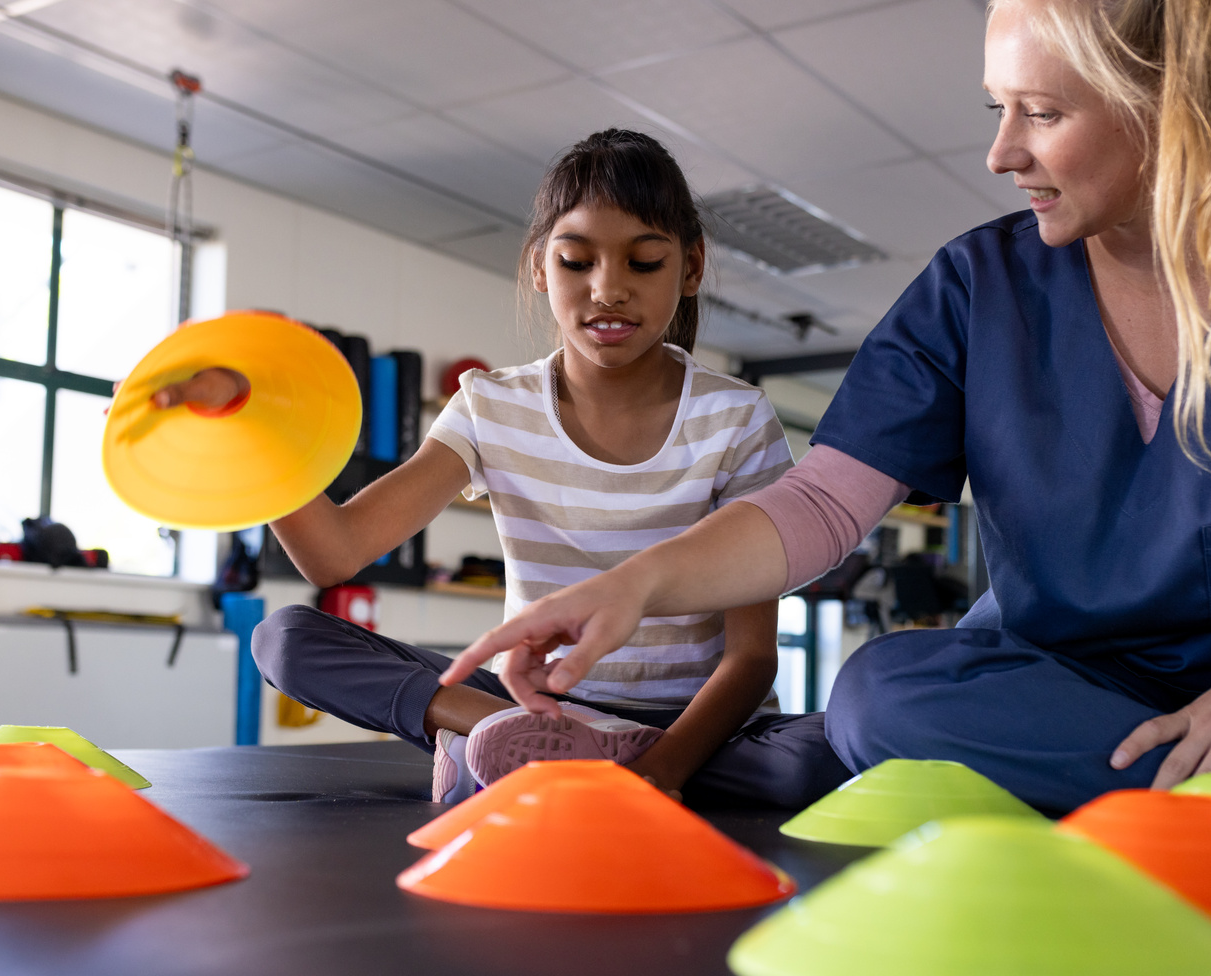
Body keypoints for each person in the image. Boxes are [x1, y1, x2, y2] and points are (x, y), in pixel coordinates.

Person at [440, 0, 1211, 835]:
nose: (1000, 153)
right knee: (881, 695)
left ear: (1175, 104)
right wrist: (634, 584)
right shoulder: (978, 287)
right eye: (996, 109)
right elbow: (821, 504)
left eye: (1040, 112)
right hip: (1064, 681)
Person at [151, 130, 848, 809]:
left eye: (643, 262)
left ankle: (526, 752)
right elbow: (333, 556)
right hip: (537, 706)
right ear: (540, 267)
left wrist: (660, 771)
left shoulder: (737, 417)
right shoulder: (489, 405)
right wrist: (251, 426)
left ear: (690, 268)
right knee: (286, 638)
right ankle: (503, 732)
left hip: (696, 727)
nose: (608, 289)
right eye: (578, 262)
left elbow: (752, 658)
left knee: (825, 752)